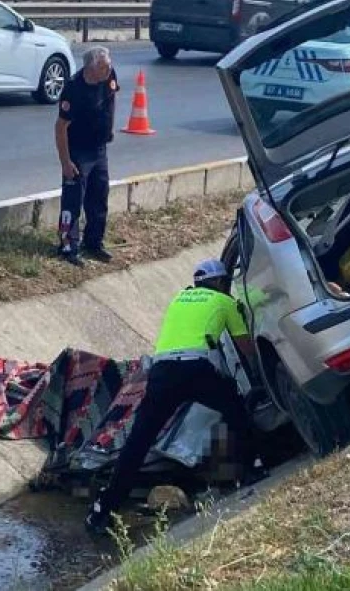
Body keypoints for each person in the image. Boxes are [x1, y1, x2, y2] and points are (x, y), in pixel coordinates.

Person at [85, 259, 268, 535]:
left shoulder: (178, 299)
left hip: (161, 373)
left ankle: (103, 510)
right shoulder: (223, 301)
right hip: (195, 369)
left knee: (138, 441)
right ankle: (252, 466)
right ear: (220, 282)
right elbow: (245, 348)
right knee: (235, 409)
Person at [55, 46, 120, 267]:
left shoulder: (109, 75)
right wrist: (66, 161)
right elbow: (61, 127)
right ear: (90, 69)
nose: (109, 69)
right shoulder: (74, 89)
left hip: (99, 149)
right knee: (73, 202)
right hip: (79, 152)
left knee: (99, 197)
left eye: (109, 64)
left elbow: (112, 98)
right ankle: (67, 246)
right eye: (104, 67)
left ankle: (94, 243)